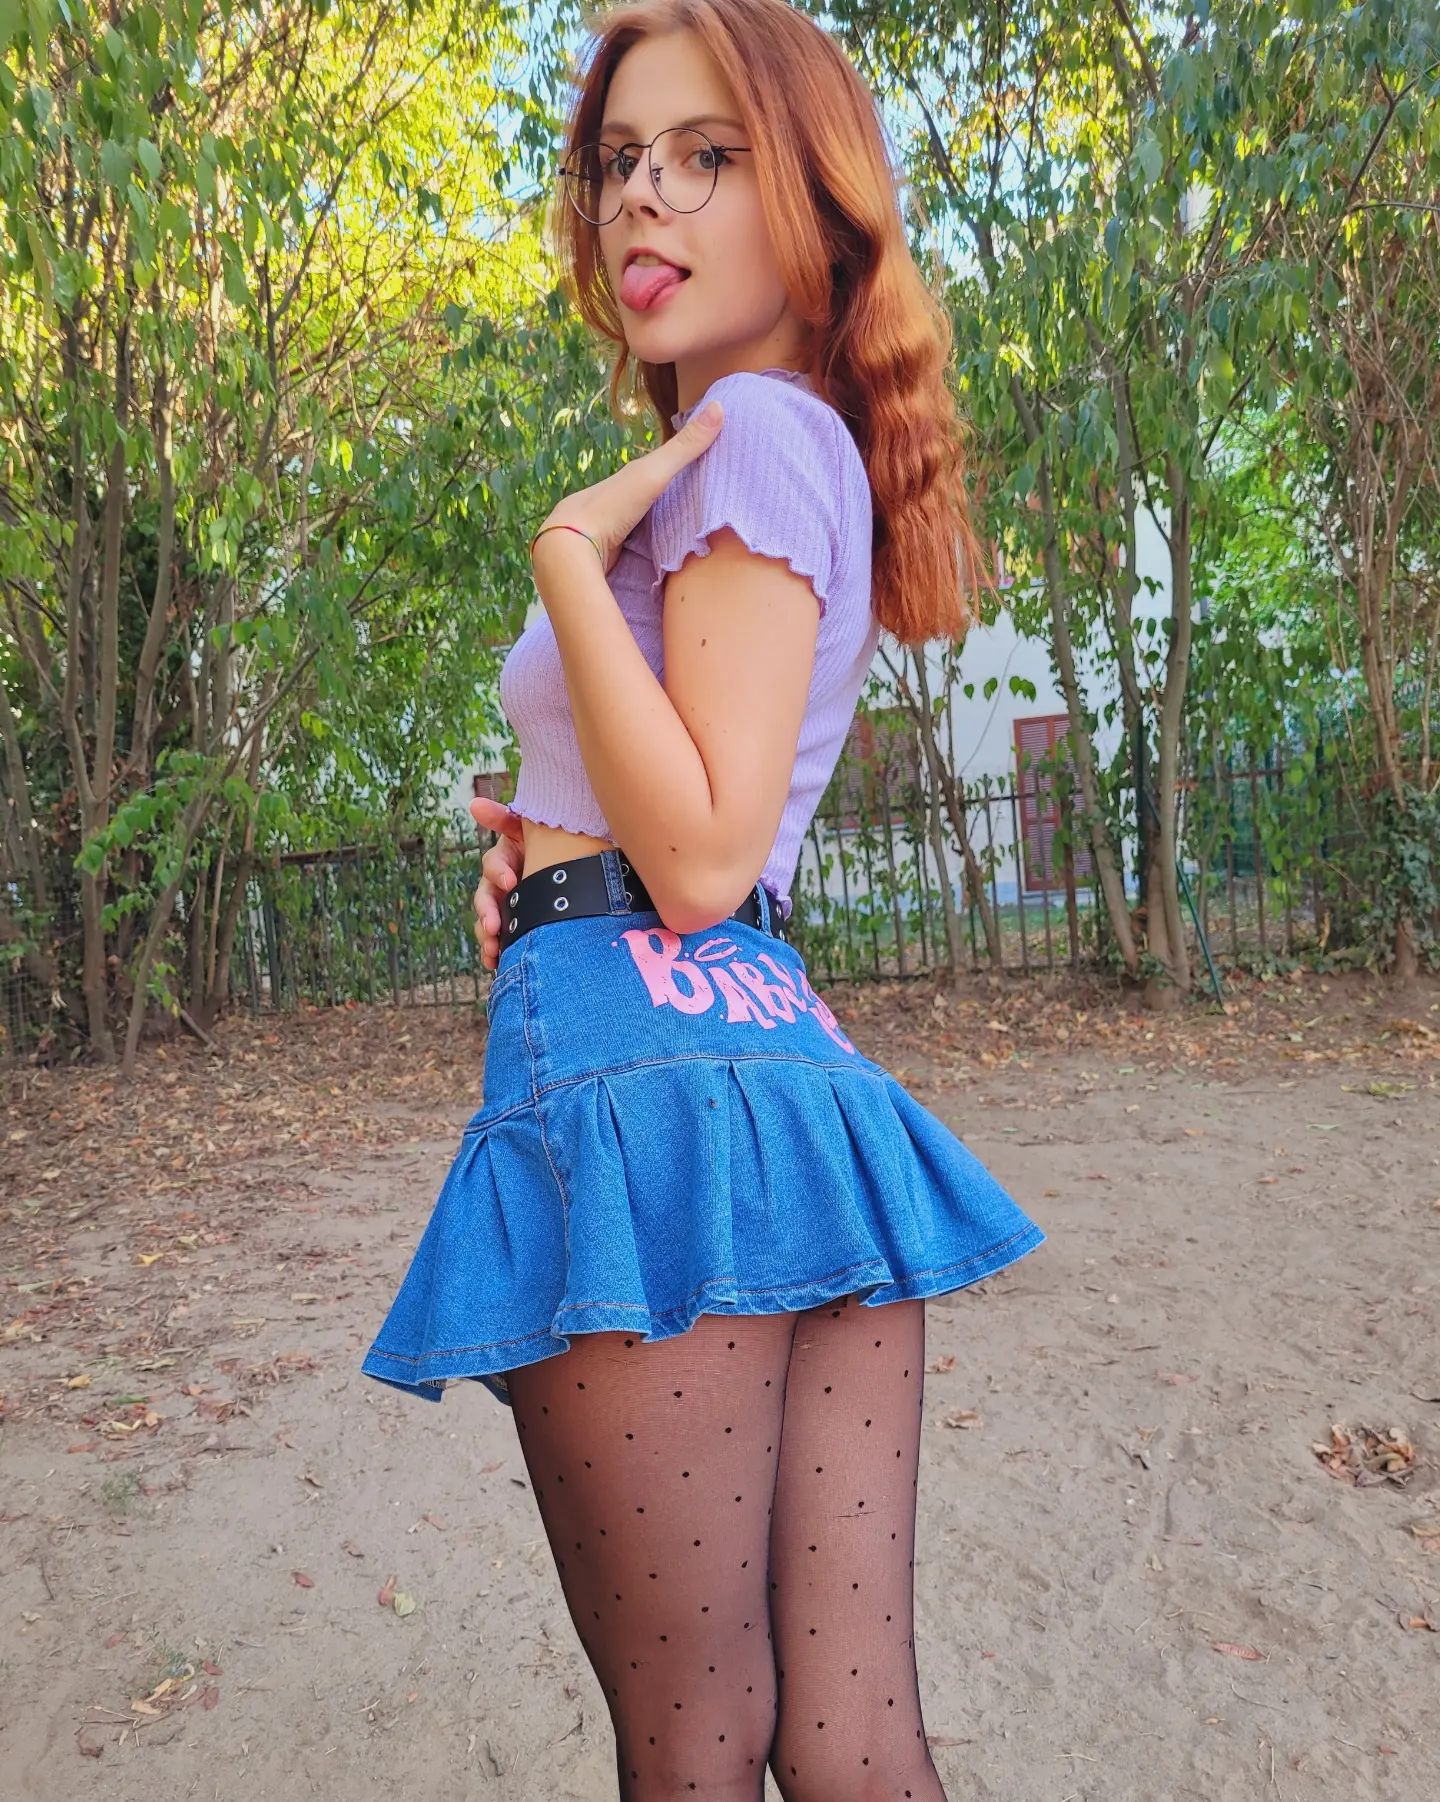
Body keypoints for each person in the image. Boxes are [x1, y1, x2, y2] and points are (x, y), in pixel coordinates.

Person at [362, 3, 1045, 1796]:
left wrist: (565, 557)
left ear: (813, 200)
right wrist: (543, 852)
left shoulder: (742, 431)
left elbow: (704, 854)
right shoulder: (794, 441)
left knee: (693, 1743)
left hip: (650, 1100)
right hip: (781, 1080)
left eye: (705, 156)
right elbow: (685, 820)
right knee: (854, 1736)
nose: (639, 200)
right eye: (618, 162)